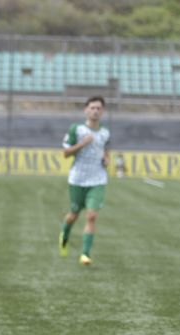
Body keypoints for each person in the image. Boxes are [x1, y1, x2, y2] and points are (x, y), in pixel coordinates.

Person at [58, 96, 111, 266]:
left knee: (92, 215)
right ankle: (64, 234)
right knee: (73, 214)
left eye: (98, 108)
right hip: (78, 179)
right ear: (86, 110)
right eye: (92, 108)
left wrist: (106, 160)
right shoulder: (77, 129)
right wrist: (82, 143)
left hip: (98, 179)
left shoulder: (105, 133)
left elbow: (106, 152)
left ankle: (85, 254)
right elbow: (66, 153)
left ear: (102, 111)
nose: (95, 111)